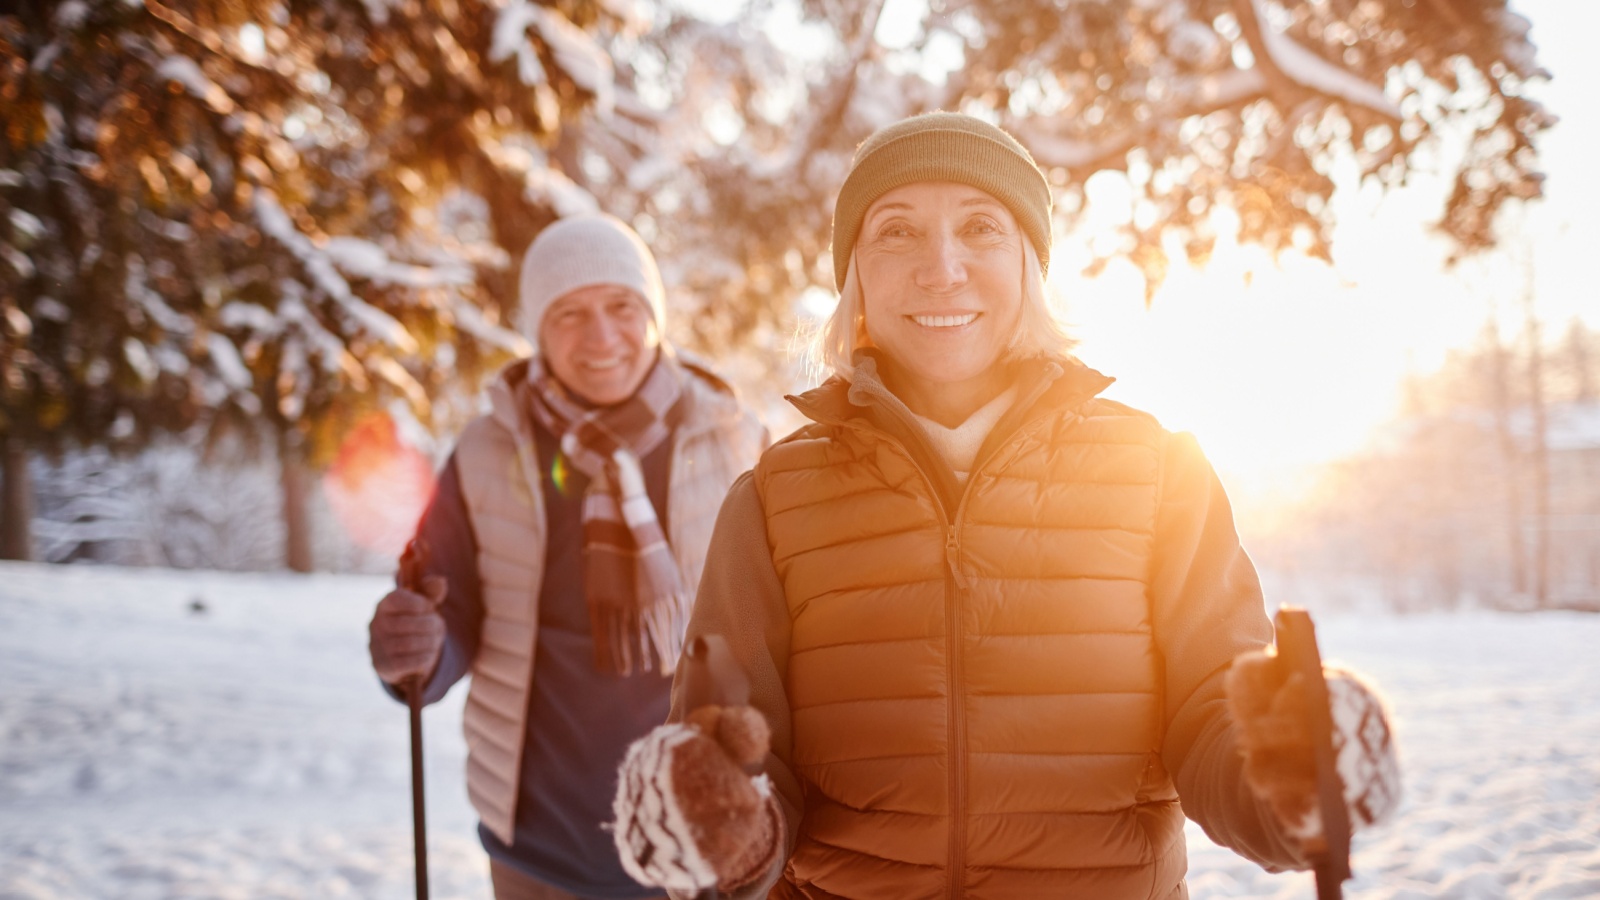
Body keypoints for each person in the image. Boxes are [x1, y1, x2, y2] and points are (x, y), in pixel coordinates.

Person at [610, 113, 1401, 899]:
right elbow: (740, 767)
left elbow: (1213, 721)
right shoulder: (772, 500)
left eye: (981, 226)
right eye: (897, 232)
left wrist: (1292, 776)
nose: (942, 267)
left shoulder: (1160, 475)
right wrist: (721, 829)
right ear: (854, 278)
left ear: (1030, 263)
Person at [368, 213, 767, 900]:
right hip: (540, 842)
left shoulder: (734, 441)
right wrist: (417, 649)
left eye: (622, 307)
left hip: (700, 831)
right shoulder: (487, 455)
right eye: (569, 314)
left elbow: (787, 626)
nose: (602, 337)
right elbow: (450, 609)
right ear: (538, 333)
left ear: (655, 316)